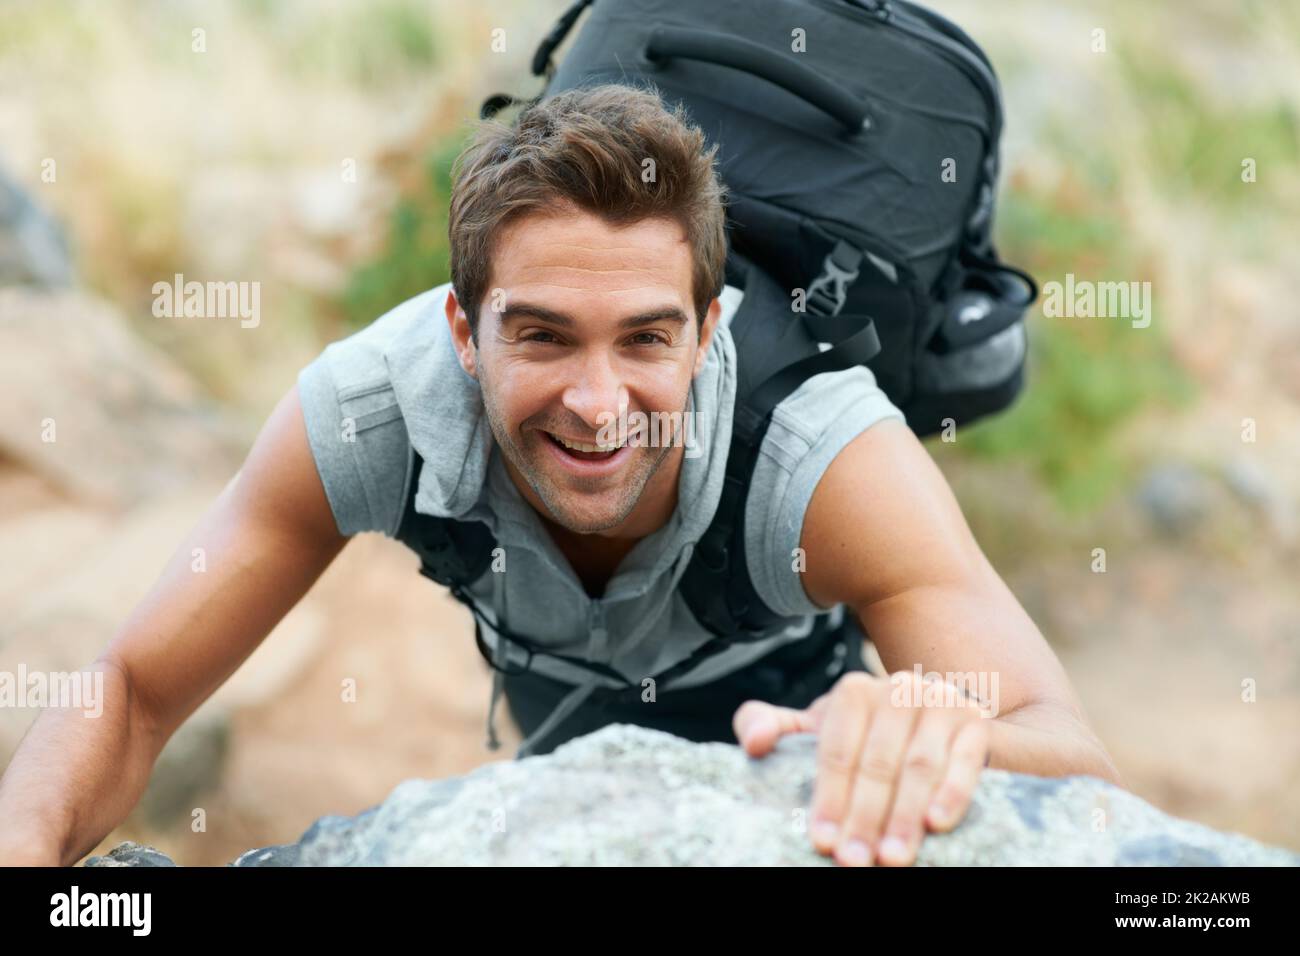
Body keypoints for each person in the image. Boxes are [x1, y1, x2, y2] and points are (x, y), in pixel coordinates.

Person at [0, 84, 1119, 869]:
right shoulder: (369, 409)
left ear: (708, 329)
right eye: (541, 336)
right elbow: (136, 688)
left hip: (796, 736)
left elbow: (1070, 758)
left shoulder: (824, 458)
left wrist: (934, 728)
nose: (596, 403)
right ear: (463, 328)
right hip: (557, 718)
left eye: (644, 338)